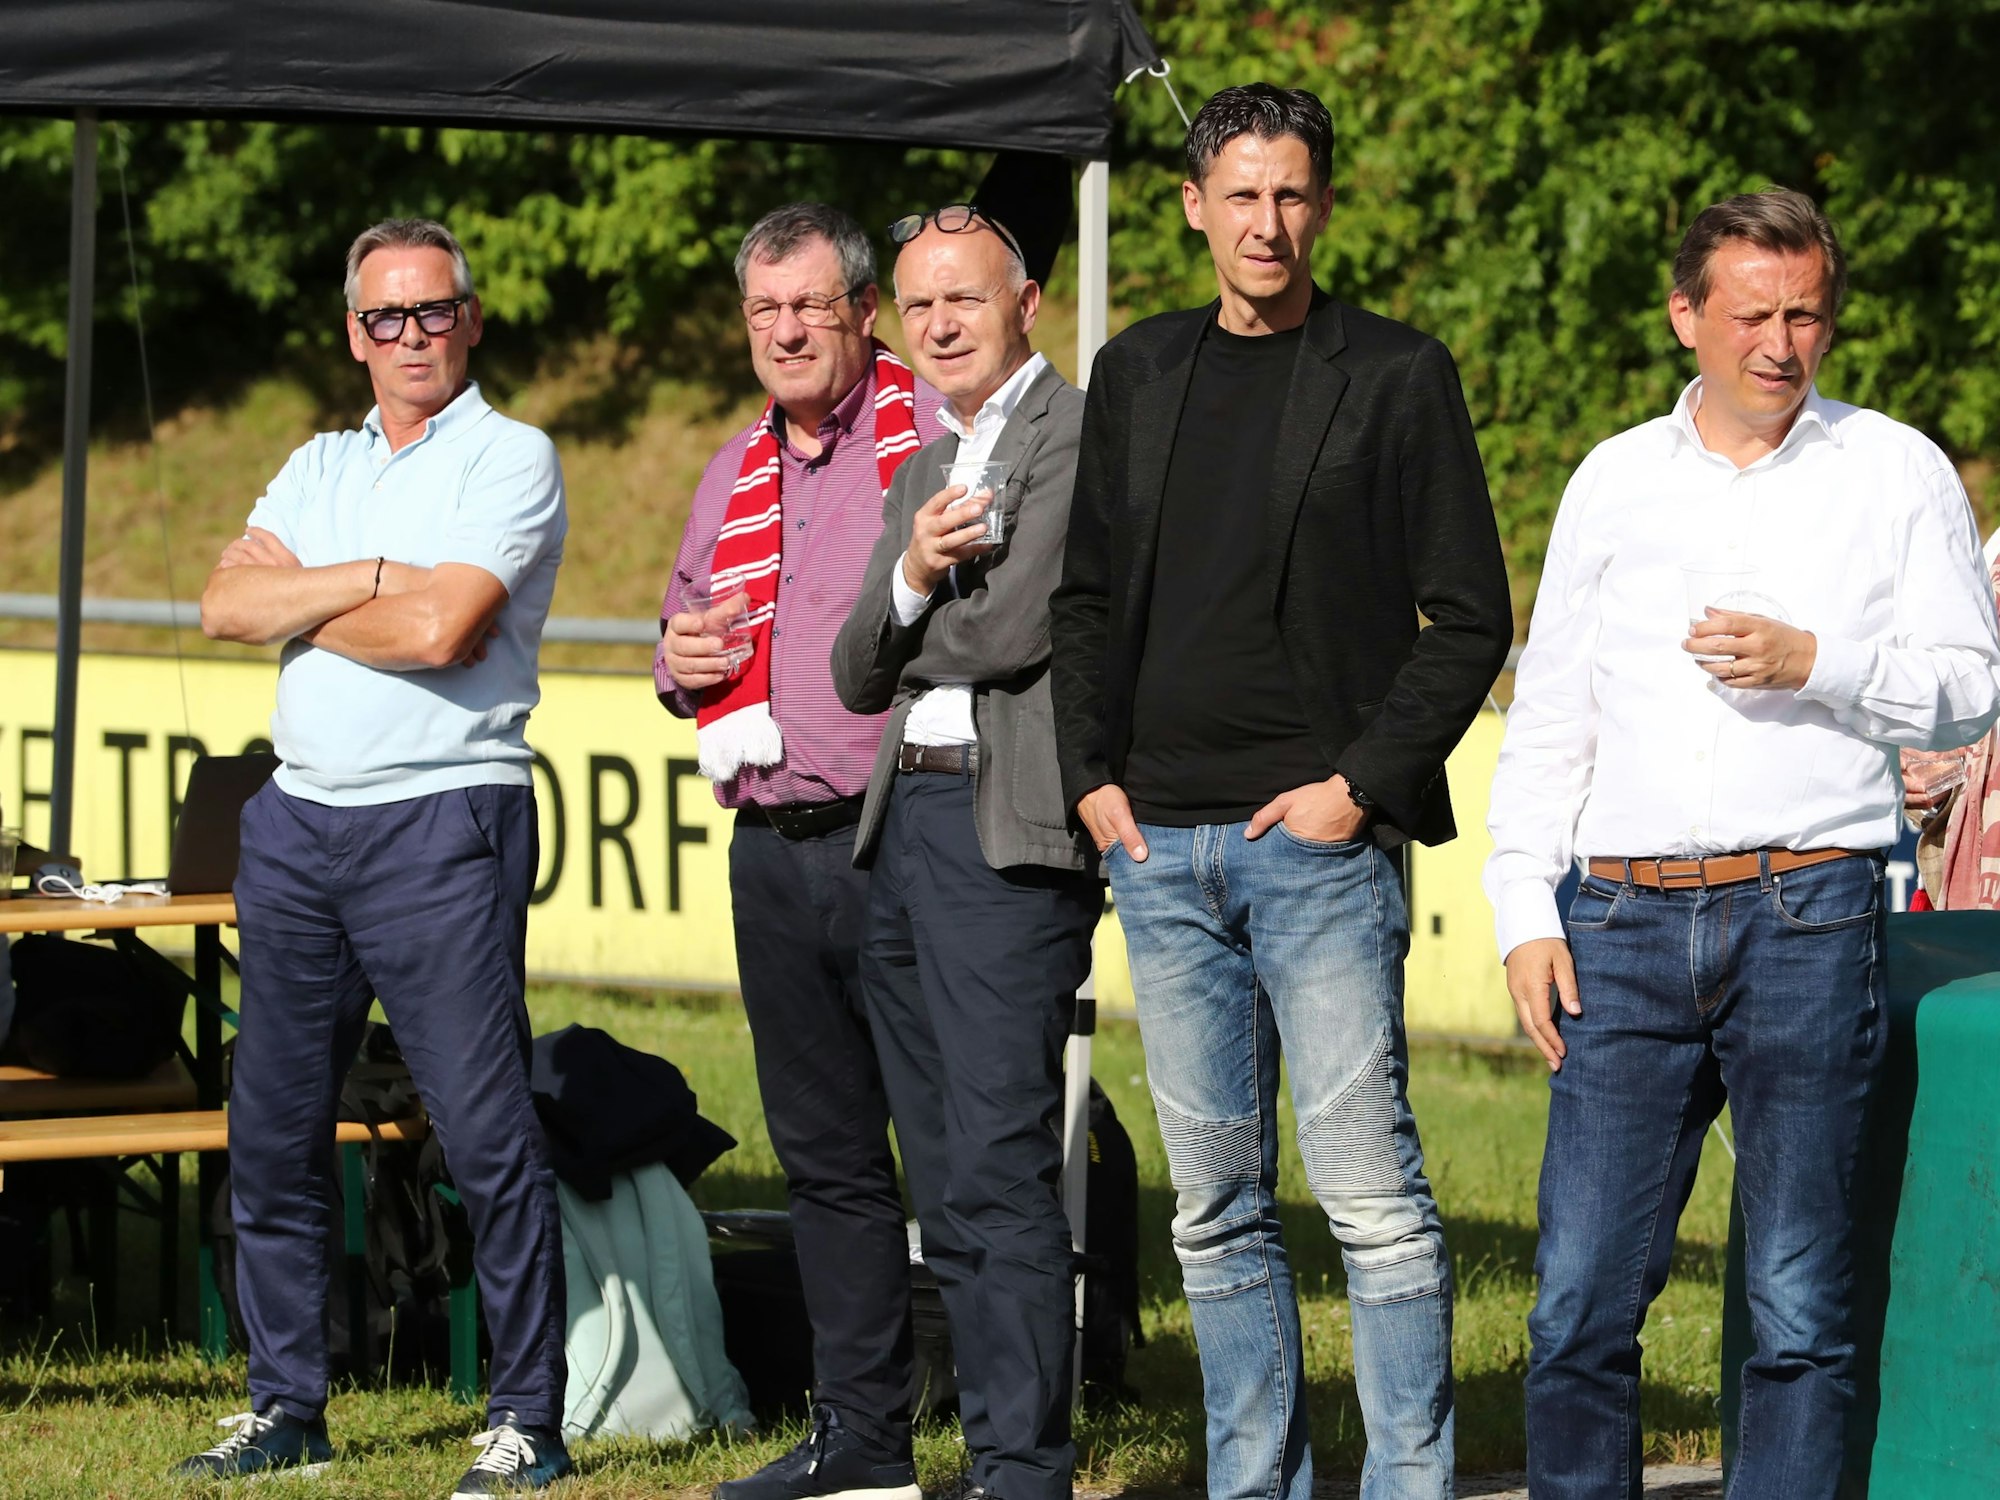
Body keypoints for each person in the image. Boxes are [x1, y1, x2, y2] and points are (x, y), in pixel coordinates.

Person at [1485, 187, 2000, 1499]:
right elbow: (1552, 710)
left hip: (1809, 914)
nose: (1783, 342)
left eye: (1808, 314)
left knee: (1794, 1313)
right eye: (1755, 314)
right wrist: (1521, 912)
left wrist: (1819, 662)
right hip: (1616, 920)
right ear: (1686, 317)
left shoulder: (1892, 470)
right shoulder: (1613, 478)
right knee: (1578, 1308)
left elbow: (1969, 683)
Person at [1049, 84, 1512, 1499]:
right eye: (1240, 195)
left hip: (1318, 851)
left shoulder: (1393, 372)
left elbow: (1471, 616)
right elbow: (1085, 597)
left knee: (1371, 1202)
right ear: (1194, 205)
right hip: (1159, 848)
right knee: (1212, 1213)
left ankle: (1408, 1480)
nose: (1267, 222)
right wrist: (1092, 783)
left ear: (1323, 204)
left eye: (1291, 194)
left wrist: (1355, 788)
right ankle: (1256, 1481)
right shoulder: (1135, 372)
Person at [184, 218, 571, 1497]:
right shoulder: (316, 463)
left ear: (472, 319)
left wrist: (314, 602)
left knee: (480, 1129)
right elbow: (224, 605)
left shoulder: (511, 456)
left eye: (433, 311)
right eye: (385, 318)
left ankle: (526, 1419)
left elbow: (451, 628)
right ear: (355, 333)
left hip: (444, 819)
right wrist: (369, 577)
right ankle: (286, 1405)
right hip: (297, 824)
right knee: (273, 1127)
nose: (411, 336)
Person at [655, 202, 943, 1500]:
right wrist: (678, 662)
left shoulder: (931, 436)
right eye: (764, 311)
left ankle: (1006, 1447)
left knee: (954, 1162)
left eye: (809, 307)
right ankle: (865, 1447)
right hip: (770, 847)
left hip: (905, 842)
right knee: (827, 1168)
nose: (784, 333)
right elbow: (679, 637)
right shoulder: (731, 472)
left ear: (861, 315)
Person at [831, 170, 1097, 1500]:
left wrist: (920, 592)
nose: (939, 324)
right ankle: (995, 1457)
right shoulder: (930, 458)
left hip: (1009, 836)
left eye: (965, 300)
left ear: (1025, 304)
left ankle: (1023, 1470)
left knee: (999, 1169)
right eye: (919, 305)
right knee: (944, 1176)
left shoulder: (1071, 435)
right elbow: (851, 672)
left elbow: (1013, 631)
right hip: (907, 827)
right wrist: (911, 573)